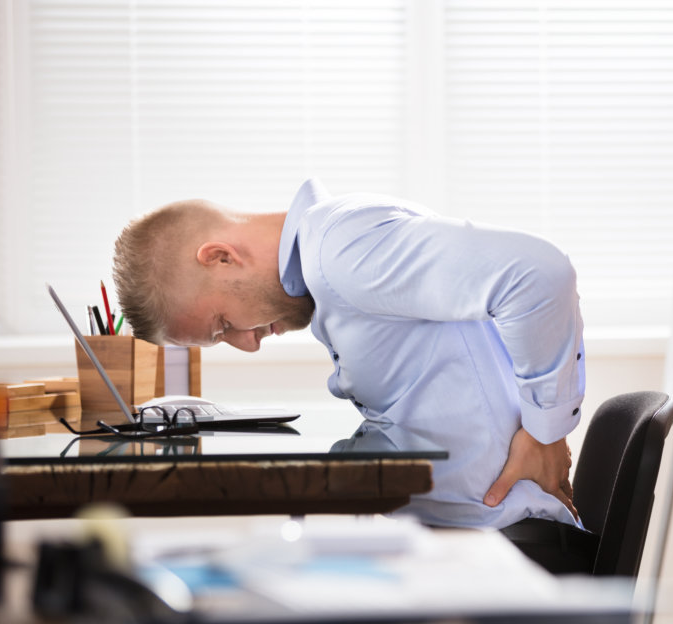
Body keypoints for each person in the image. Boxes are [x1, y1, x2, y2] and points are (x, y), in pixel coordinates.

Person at [113, 178, 597, 573]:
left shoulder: (341, 249)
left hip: (506, 553)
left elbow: (539, 275)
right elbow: (412, 415)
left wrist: (545, 432)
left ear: (221, 257)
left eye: (222, 326)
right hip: (460, 543)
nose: (248, 343)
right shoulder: (332, 264)